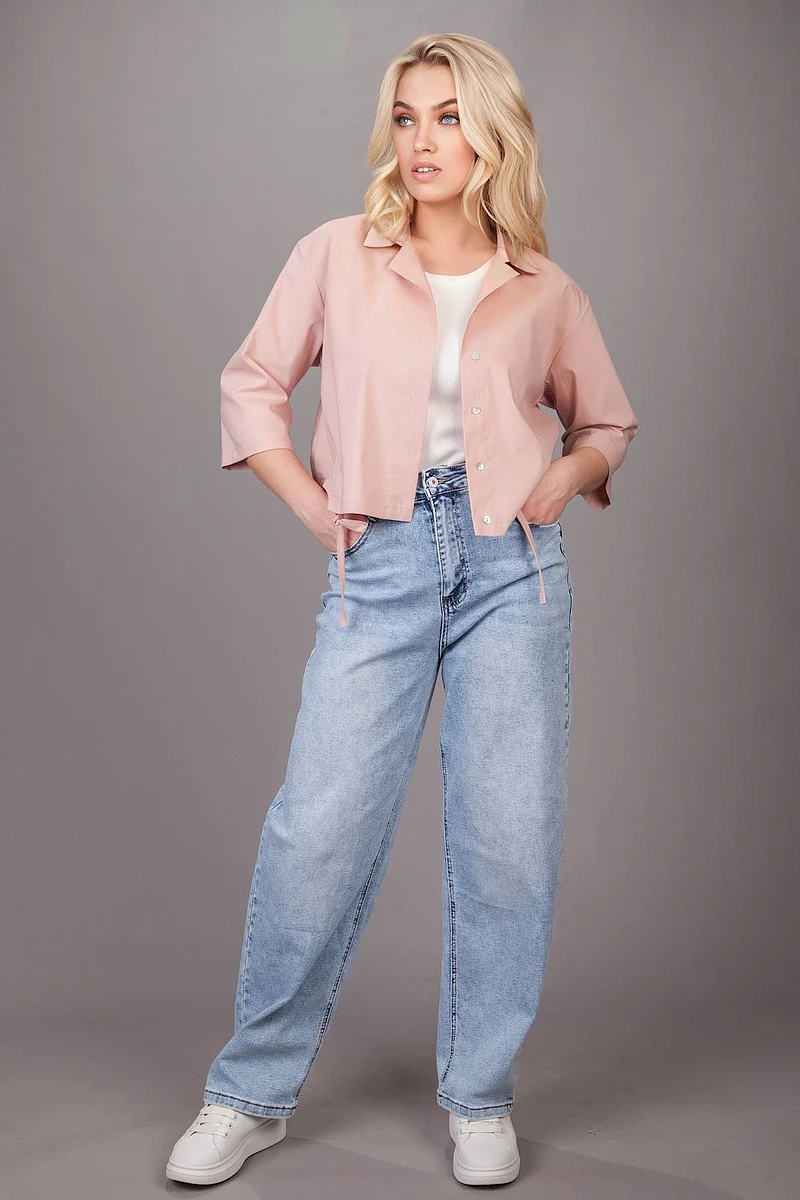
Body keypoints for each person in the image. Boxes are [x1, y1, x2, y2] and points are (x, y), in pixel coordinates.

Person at [166, 31, 638, 1189]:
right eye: (407, 116)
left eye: (448, 116)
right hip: (376, 559)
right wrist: (306, 500)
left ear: (492, 136)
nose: (422, 140)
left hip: (511, 568)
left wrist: (560, 480)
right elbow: (251, 383)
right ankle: (248, 1095)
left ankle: (479, 1099)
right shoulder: (336, 253)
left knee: (506, 839)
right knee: (317, 829)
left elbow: (605, 423)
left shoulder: (543, 288)